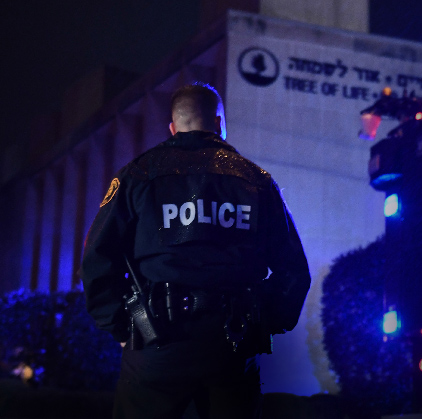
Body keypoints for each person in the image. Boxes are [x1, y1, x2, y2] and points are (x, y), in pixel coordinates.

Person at [80, 82, 311, 419]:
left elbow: (96, 260)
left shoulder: (137, 175)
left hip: (156, 340)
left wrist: (120, 325)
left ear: (173, 127)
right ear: (219, 123)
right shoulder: (257, 181)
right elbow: (293, 271)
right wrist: (265, 322)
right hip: (232, 344)